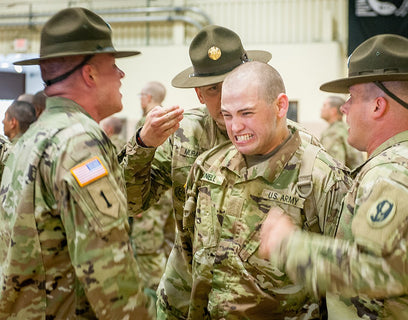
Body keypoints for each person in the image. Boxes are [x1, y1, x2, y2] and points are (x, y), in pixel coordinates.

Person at [259, 34, 408, 319]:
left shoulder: (396, 173)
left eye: (352, 98)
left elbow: (381, 269)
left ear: (378, 106)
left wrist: (288, 246)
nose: (344, 108)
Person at [121, 24, 324, 317]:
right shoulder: (182, 135)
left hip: (268, 306)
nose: (227, 94)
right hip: (187, 298)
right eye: (214, 89)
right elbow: (131, 202)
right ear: (199, 94)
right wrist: (143, 145)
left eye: (232, 81)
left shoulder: (297, 144)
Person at [0, 7, 182, 318]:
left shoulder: (31, 137)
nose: (122, 75)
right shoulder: (80, 142)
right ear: (90, 74)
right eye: (114, 65)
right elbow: (110, 270)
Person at [158, 61, 349, 318]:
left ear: (281, 106)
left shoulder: (320, 177)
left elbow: (346, 287)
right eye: (227, 115)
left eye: (246, 113)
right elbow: (184, 261)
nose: (235, 127)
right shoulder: (209, 168)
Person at [130, 80, 174, 292]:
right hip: (169, 197)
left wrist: (135, 199)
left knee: (148, 250)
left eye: (141, 96)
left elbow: (136, 163)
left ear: (147, 98)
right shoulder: (171, 120)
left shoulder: (147, 122)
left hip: (150, 198)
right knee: (168, 247)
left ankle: (159, 298)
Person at [320, 95, 364, 169]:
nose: (321, 109)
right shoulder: (345, 128)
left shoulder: (334, 133)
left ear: (333, 111)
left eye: (324, 106)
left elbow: (335, 168)